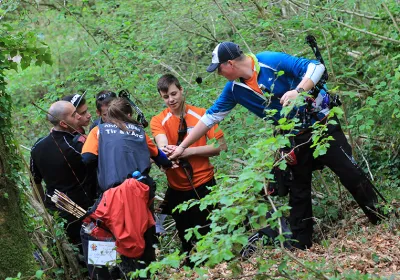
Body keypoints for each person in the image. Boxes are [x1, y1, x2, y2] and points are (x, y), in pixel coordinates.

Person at [169, 41, 382, 250]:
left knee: (350, 172)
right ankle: (301, 243)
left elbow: (316, 67)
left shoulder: (270, 60)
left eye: (219, 69)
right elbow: (210, 118)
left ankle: (380, 217)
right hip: (292, 137)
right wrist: (182, 147)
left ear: (230, 63)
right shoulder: (233, 89)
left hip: (321, 125)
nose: (218, 73)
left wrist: (298, 90)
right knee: (298, 189)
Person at [80, 98, 173, 277]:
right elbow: (162, 159)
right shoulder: (140, 132)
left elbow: (87, 158)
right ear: (129, 115)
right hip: (142, 193)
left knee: (98, 231)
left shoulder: (98, 131)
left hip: (112, 195)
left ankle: (107, 275)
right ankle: (146, 272)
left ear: (108, 116)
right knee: (144, 232)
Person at [150, 74, 227, 260]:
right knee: (186, 237)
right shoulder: (158, 120)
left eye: (174, 94)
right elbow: (161, 142)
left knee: (209, 232)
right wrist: (165, 151)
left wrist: (187, 152)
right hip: (177, 188)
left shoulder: (202, 114)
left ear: (181, 90)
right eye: (166, 97)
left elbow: (221, 146)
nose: (171, 100)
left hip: (204, 183)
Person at [30, 101, 97, 245]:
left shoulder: (37, 146)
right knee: (93, 248)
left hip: (56, 209)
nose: (79, 117)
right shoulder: (75, 146)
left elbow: (35, 182)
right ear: (64, 124)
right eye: (74, 115)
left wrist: (44, 210)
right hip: (81, 210)